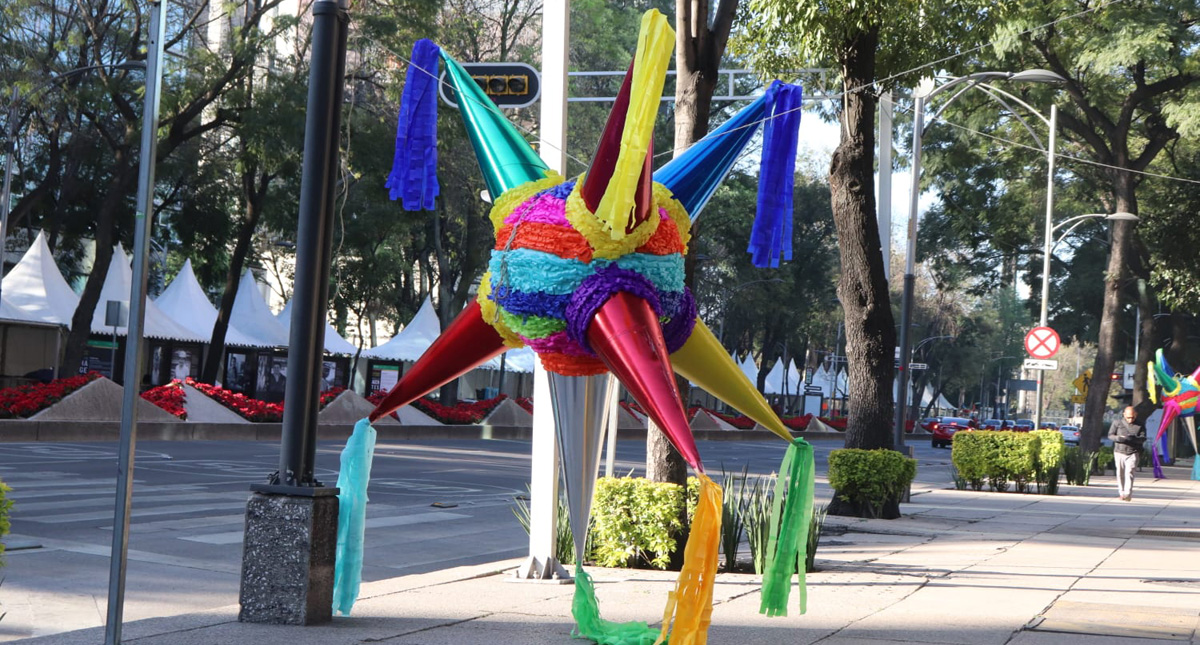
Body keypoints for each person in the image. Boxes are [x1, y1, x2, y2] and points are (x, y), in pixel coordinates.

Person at [1108, 406, 1145, 501]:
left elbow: (1143, 438)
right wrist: (1118, 438)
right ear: (1124, 415)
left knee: (1130, 472)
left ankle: (1128, 493)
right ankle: (1122, 492)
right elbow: (1110, 435)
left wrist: (1134, 439)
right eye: (1128, 417)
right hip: (1119, 451)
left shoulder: (1140, 425)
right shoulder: (1117, 423)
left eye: (1132, 417)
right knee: (1120, 473)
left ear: (1135, 415)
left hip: (1133, 452)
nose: (1130, 419)